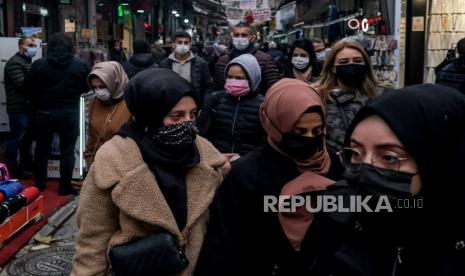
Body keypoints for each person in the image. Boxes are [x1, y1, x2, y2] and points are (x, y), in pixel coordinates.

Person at [71, 68, 229, 276]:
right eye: (176, 116)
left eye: (192, 115)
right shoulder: (113, 160)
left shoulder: (206, 156)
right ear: (151, 114)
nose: (187, 124)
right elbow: (93, 237)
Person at [308, 84, 465, 276]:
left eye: (389, 157)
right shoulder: (336, 210)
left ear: (440, 160)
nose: (365, 169)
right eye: (356, 153)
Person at [196, 79, 335, 275]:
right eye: (299, 132)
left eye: (317, 131)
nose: (309, 139)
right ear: (274, 124)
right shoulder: (246, 174)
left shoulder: (334, 165)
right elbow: (224, 244)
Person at [23, 33, 90, 195]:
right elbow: (87, 87)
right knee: (67, 150)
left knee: (42, 149)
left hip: (44, 112)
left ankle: (39, 183)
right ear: (70, 46)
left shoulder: (39, 65)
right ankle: (64, 186)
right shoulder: (80, 65)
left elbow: (27, 88)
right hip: (70, 113)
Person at [316, 39, 381, 179]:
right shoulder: (319, 98)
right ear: (333, 67)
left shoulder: (380, 96)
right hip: (333, 174)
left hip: (374, 172)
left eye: (357, 61)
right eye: (344, 62)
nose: (351, 65)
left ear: (365, 64)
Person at [197, 54, 265, 160]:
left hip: (248, 165)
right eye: (229, 77)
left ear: (252, 79)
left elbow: (264, 143)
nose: (233, 81)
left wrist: (245, 160)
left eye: (239, 78)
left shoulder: (263, 106)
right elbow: (201, 134)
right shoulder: (215, 100)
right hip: (217, 162)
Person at [84, 61, 132, 167]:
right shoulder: (95, 101)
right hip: (100, 165)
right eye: (95, 87)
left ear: (115, 83)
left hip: (124, 166)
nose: (98, 92)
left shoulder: (131, 102)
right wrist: (89, 159)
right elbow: (92, 135)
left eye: (102, 87)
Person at [3, 37, 37, 179]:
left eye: (34, 45)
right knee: (16, 139)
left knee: (26, 140)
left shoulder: (27, 62)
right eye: (30, 45)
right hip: (18, 108)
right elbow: (23, 85)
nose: (33, 47)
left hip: (28, 107)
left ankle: (26, 165)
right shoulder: (14, 63)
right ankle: (11, 168)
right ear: (20, 47)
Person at [213, 22, 280, 94]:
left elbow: (273, 90)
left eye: (244, 35)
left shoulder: (265, 60)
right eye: (236, 35)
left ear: (252, 37)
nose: (239, 38)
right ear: (232, 37)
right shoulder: (222, 62)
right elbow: (218, 88)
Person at [160, 31, 212, 103]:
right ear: (173, 44)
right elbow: (161, 85)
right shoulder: (165, 64)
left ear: (190, 45)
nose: (183, 45)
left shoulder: (201, 63)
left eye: (186, 43)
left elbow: (207, 87)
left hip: (194, 103)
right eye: (179, 42)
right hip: (171, 103)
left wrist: (204, 104)